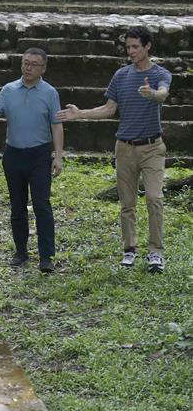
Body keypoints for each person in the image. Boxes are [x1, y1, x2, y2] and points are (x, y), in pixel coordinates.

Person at [56, 26, 171, 273]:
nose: (131, 52)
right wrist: (80, 114)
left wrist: (151, 93)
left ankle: (155, 253)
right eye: (128, 47)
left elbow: (162, 94)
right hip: (124, 148)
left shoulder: (161, 73)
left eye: (135, 47)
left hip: (152, 147)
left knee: (154, 198)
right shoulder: (121, 75)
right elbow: (109, 109)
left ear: (147, 46)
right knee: (127, 203)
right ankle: (130, 250)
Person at [0, 47, 64, 273]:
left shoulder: (50, 93)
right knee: (17, 205)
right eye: (25, 62)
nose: (28, 67)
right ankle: (20, 252)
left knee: (42, 205)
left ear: (43, 68)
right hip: (13, 154)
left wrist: (58, 156)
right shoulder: (9, 89)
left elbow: (56, 125)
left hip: (39, 155)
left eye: (33, 64)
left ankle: (46, 257)